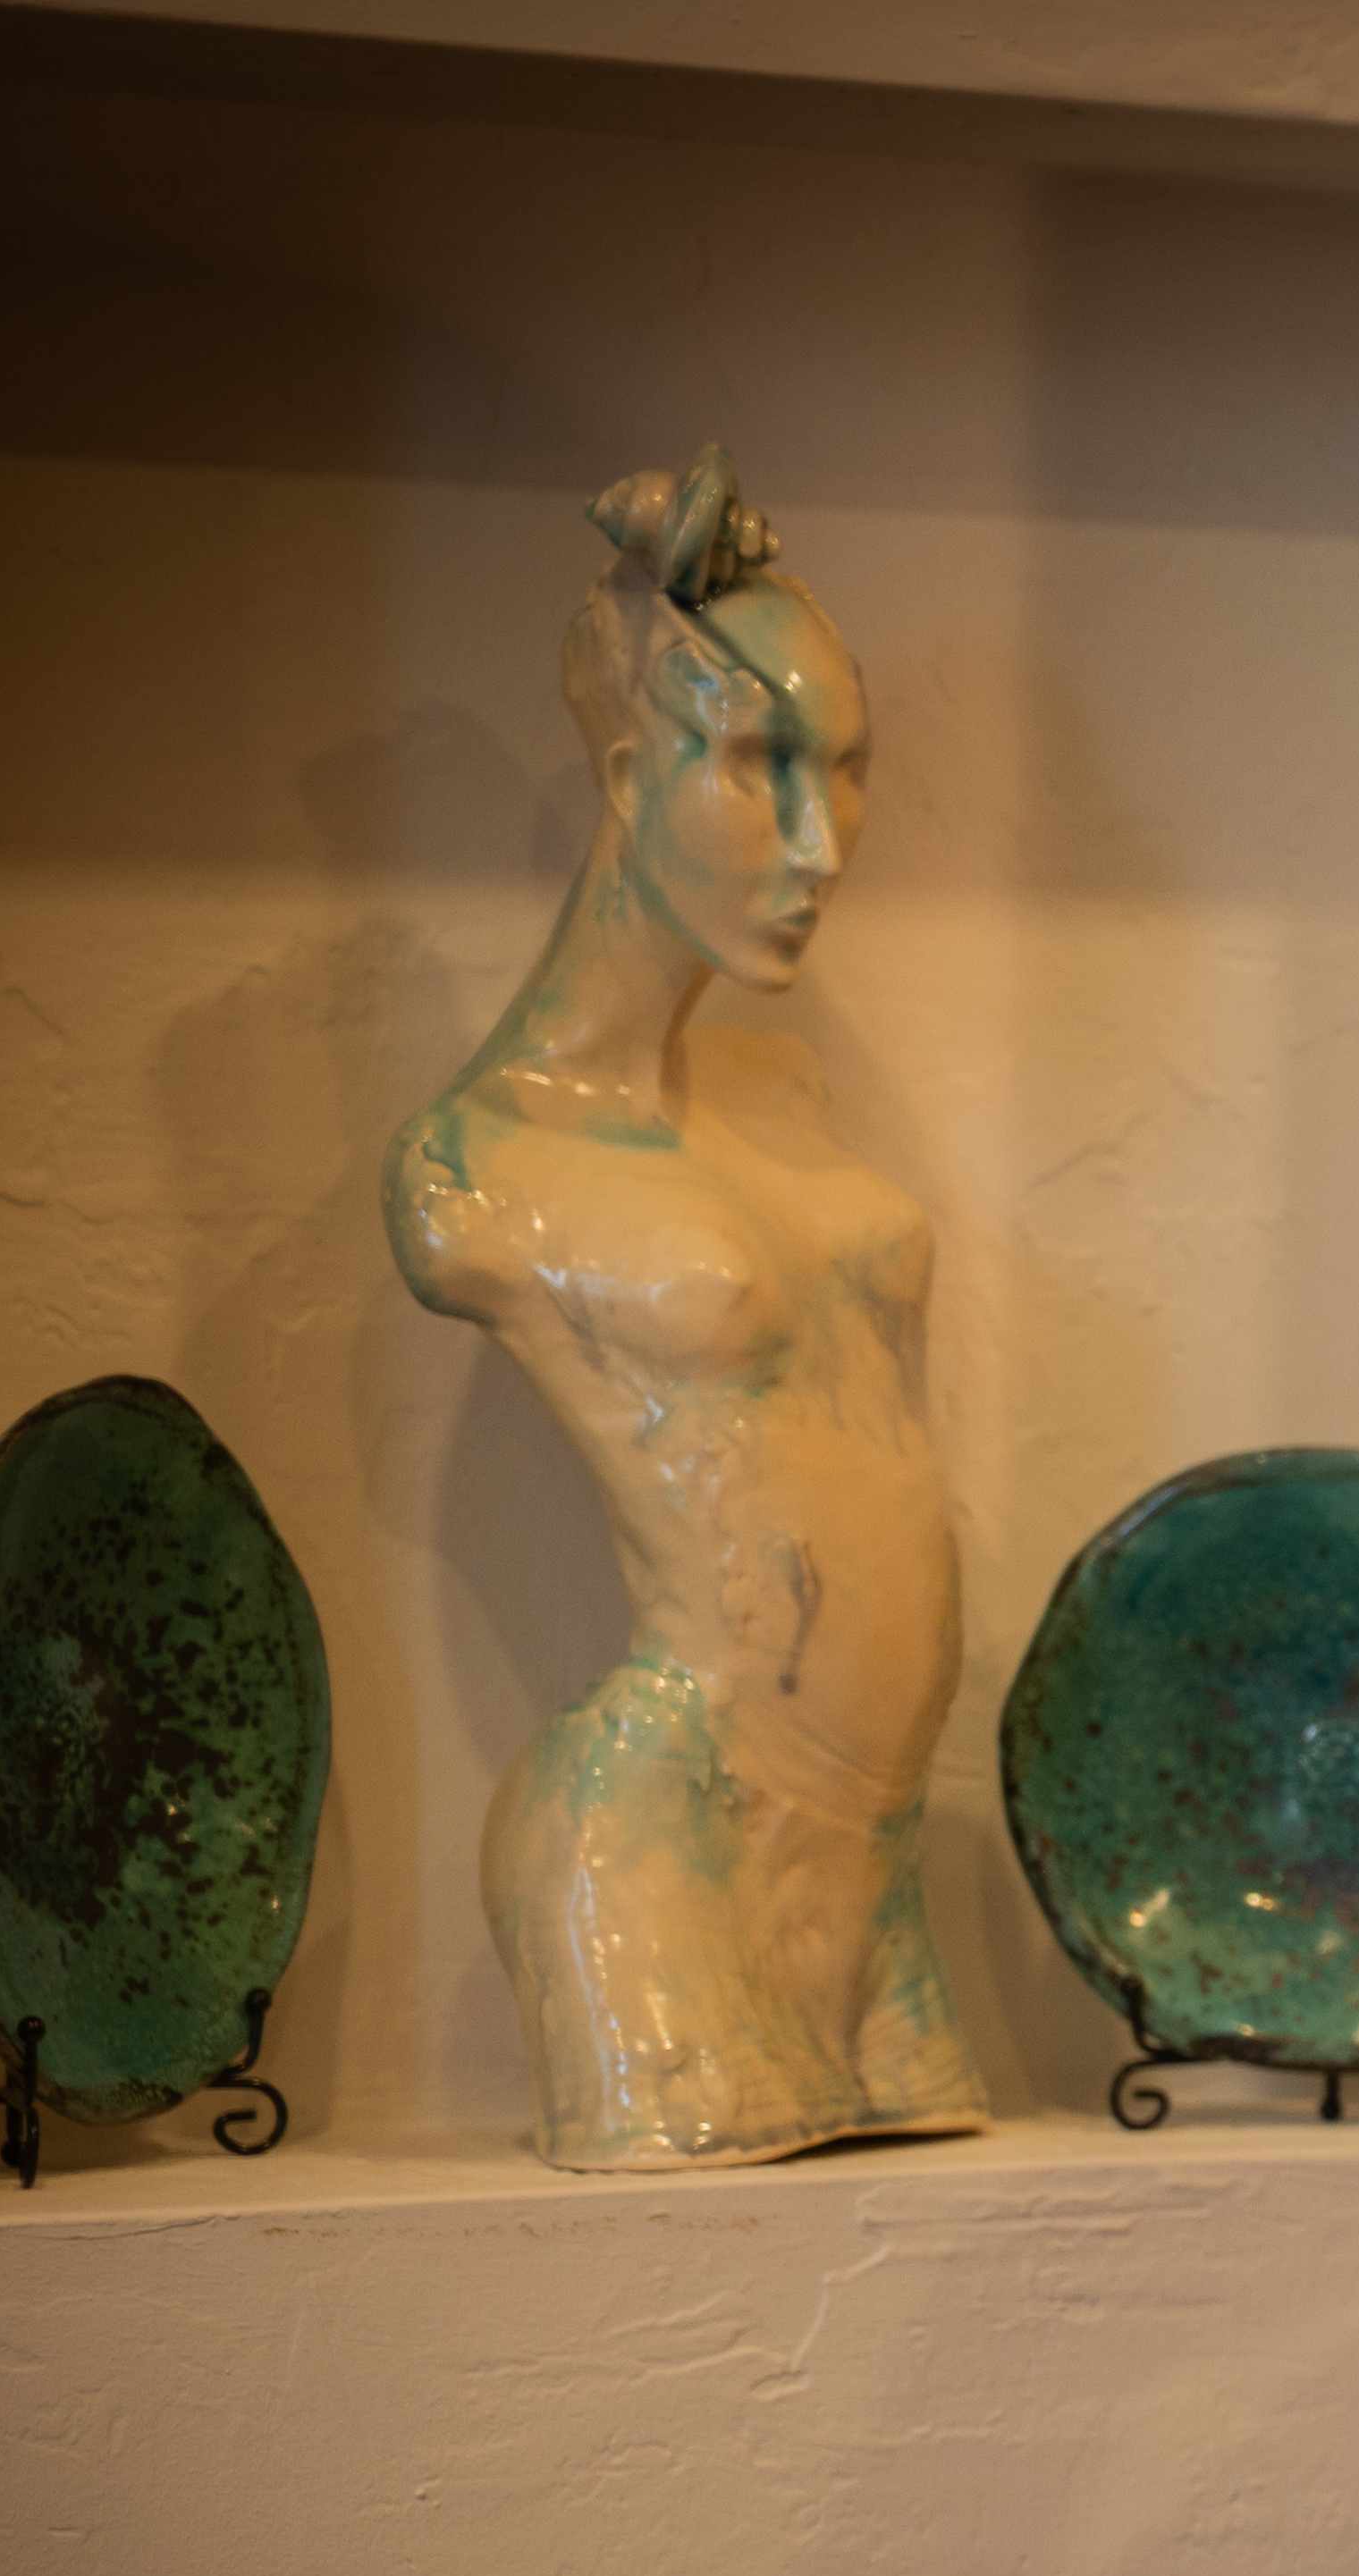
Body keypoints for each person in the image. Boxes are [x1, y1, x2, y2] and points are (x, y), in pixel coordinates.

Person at [388, 450, 985, 2171]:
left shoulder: (782, 1119)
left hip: (875, 1876)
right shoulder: (472, 1167)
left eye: (849, 774)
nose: (824, 843)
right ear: (634, 771)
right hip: (661, 1848)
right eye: (758, 768)